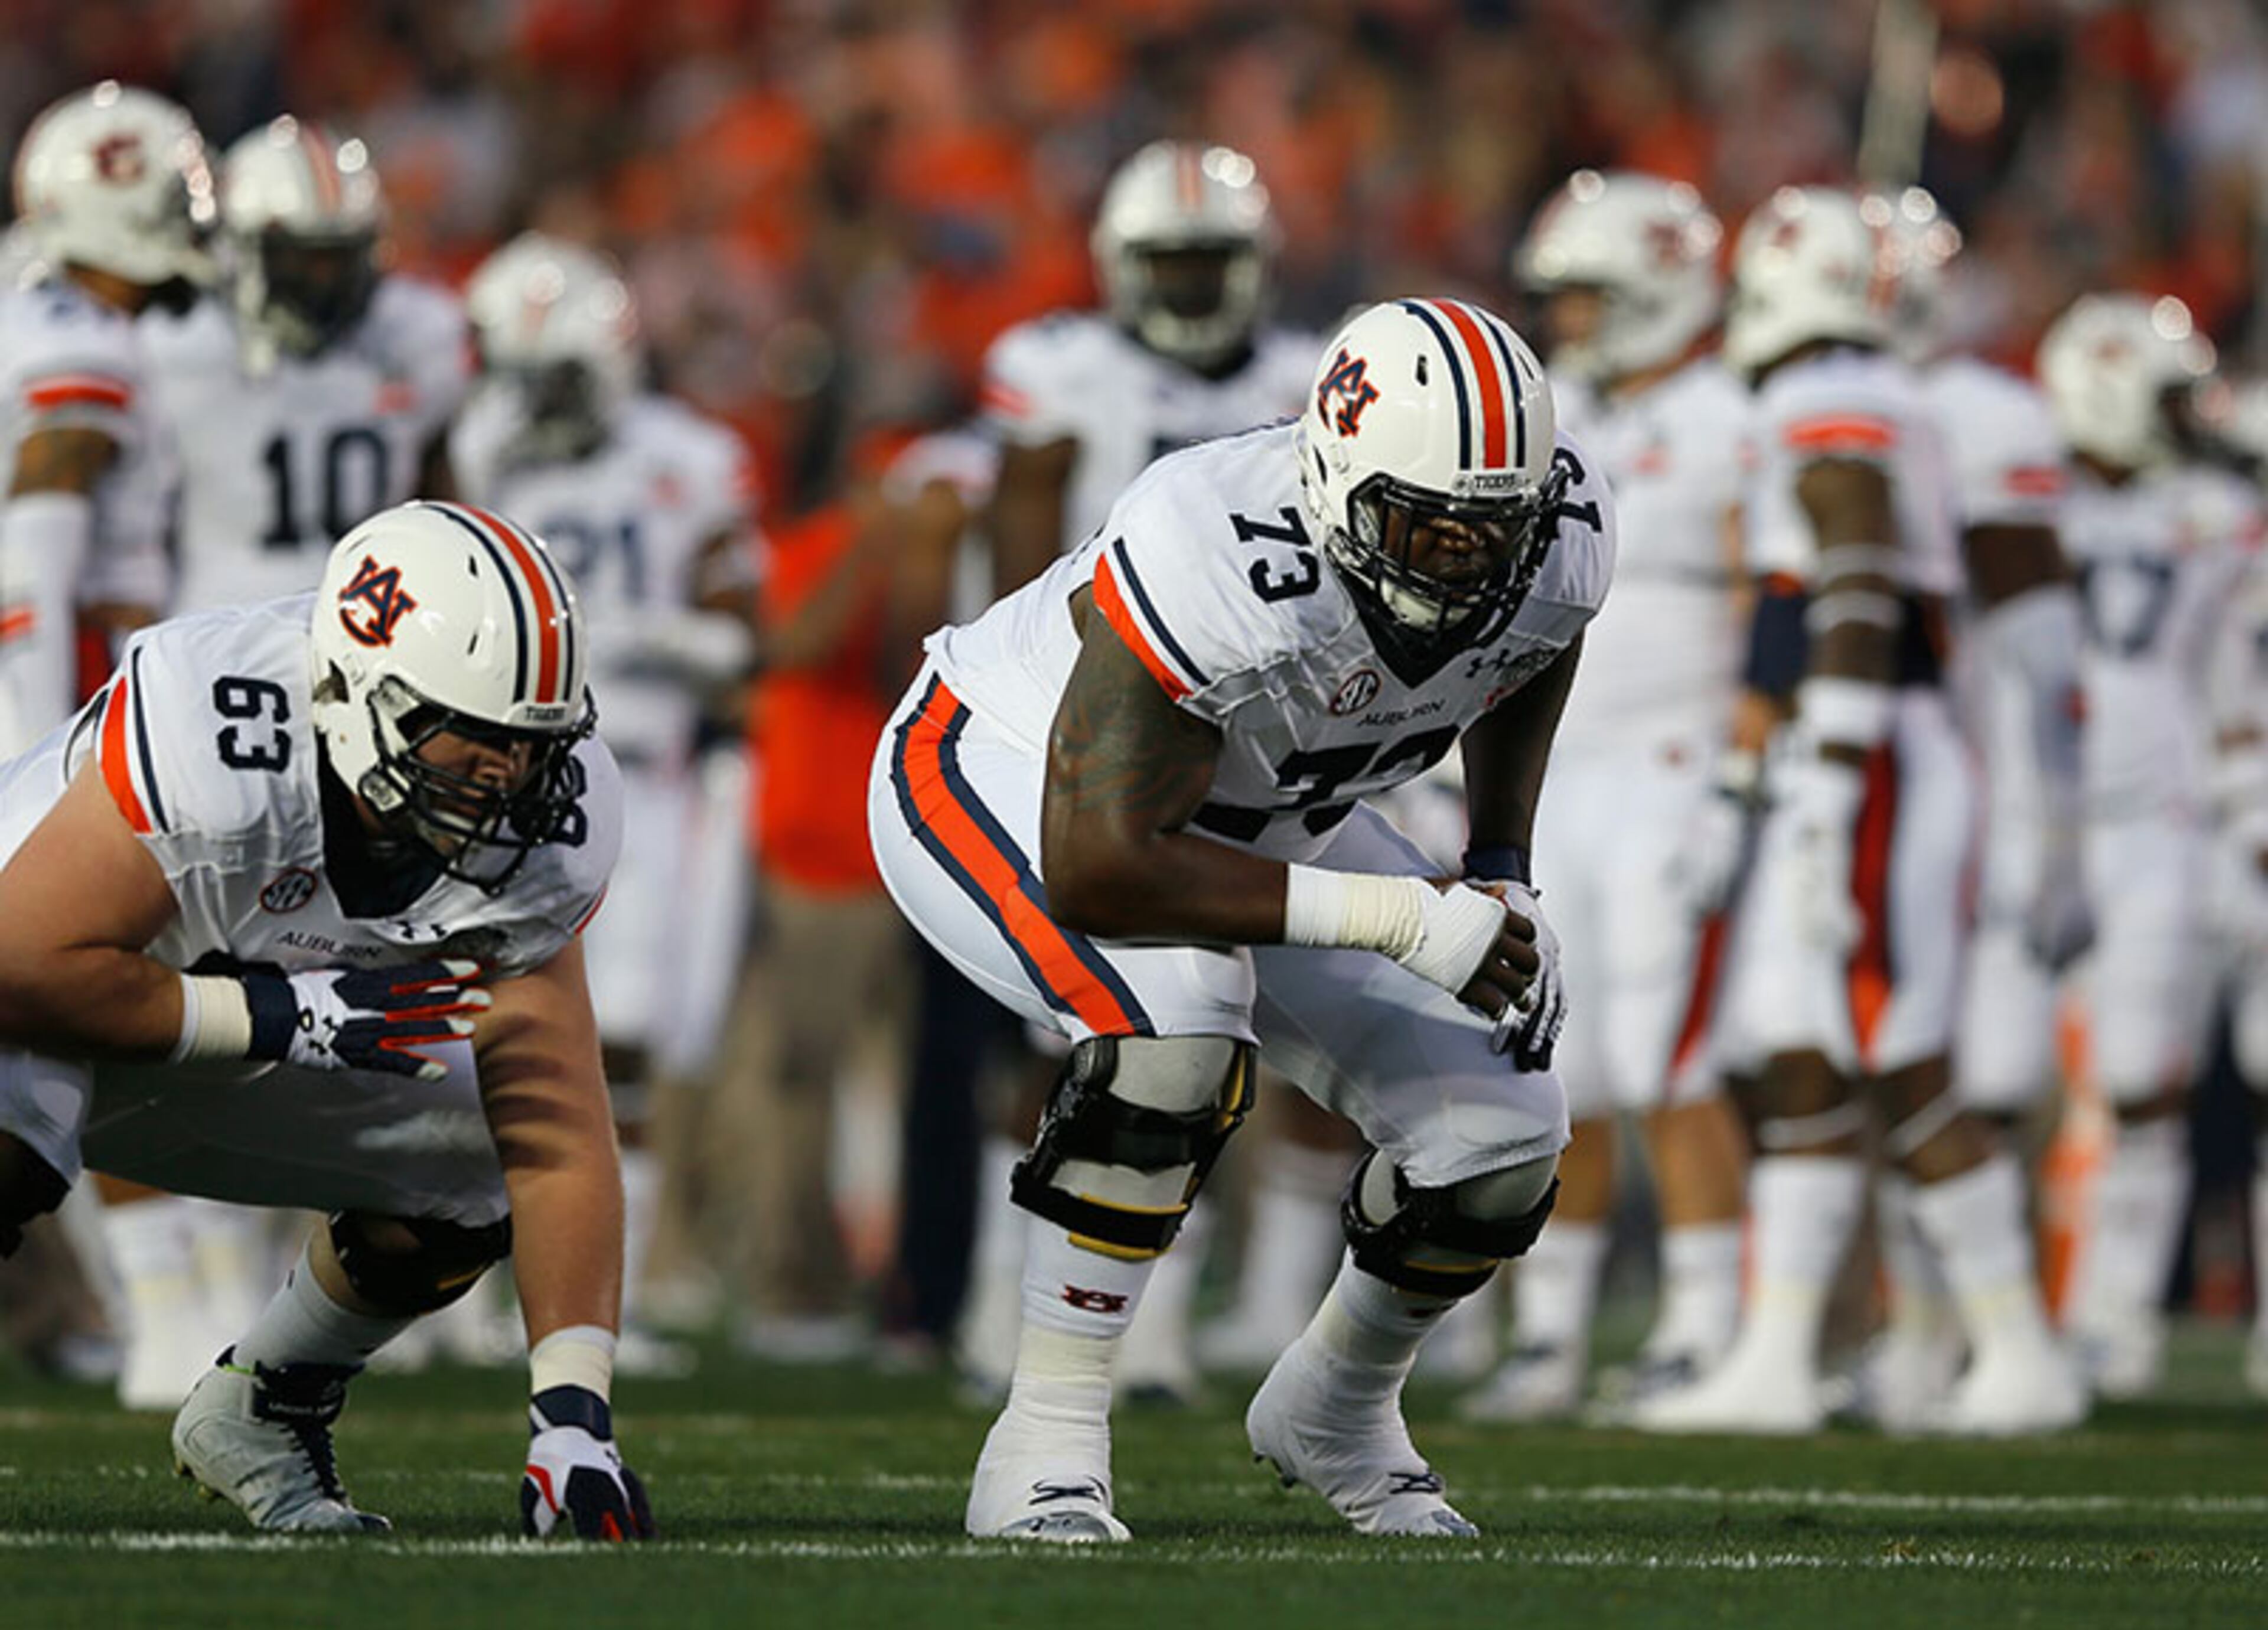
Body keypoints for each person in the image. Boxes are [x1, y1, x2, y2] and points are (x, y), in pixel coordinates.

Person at [869, 296, 1614, 1540]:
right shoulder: (1209, 532)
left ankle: (1339, 1406)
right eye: (1424, 530)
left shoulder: (1563, 529)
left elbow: (1533, 648)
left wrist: (1497, 869)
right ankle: (1046, 1430)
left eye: (1492, 534)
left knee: (1503, 1126)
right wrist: (1405, 919)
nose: (1463, 565)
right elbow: (1104, 866)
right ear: (1333, 482)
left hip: (1268, 817)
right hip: (1006, 769)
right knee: (1178, 1024)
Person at [0, 501, 651, 1541]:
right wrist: (269, 1016)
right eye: (476, 742)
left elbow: (559, 1126)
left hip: (229, 1030)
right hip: (54, 1003)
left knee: (483, 1146)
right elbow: (19, 966)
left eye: (532, 748)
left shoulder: (541, 828)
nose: (510, 780)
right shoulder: (222, 726)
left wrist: (574, 1420)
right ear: (353, 694)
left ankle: (265, 1406)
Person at [1634, 187, 2081, 1437]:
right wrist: (1749, 782)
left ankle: (2016, 1347)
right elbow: (1791, 619)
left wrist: (1829, 779)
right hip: (1852, 747)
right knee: (1797, 1037)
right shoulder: (1854, 395)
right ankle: (1778, 1354)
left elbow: (1855, 573)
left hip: (1879, 752)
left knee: (1893, 1043)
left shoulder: (1840, 395)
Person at [110, 113, 475, 1408]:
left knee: (353, 979)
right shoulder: (167, 347)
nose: (323, 279)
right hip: (214, 679)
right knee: (176, 973)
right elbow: (120, 530)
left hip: (372, 692)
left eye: (340, 252)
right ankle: (180, 1296)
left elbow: (443, 504)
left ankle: (322, 1263)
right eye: (296, 252)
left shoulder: (422, 338)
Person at [960, 138, 1319, 1403]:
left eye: (1207, 259)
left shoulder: (1307, 380)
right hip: (1092, 723)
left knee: (1214, 1027)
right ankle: (1008, 1295)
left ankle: (1182, 1306)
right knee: (1071, 1029)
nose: (1184, 283)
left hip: (1258, 743)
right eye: (1166, 259)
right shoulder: (1060, 369)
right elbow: (1015, 544)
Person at [1459, 168, 1754, 1423]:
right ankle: (1553, 1330)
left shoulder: (1737, 414)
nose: (1569, 320)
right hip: (1560, 772)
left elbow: (1770, 595)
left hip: (1679, 770)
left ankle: (1702, 1323)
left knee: (1668, 1053)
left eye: (1590, 296)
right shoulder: (1564, 412)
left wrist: (1748, 771)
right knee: (1546, 1054)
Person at [457, 232, 757, 1370]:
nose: (540, 400)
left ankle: (594, 1296)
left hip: (642, 771)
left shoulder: (690, 456)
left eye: (561, 374)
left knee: (623, 1037)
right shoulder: (475, 447)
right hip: (494, 779)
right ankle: (465, 1288)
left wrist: (639, 634)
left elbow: (744, 635)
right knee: (482, 1032)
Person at [2029, 293, 2266, 1398]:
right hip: (2033, 816)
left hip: (2162, 820)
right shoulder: (2020, 496)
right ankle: (1962, 1325)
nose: (2187, 417)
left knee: (2144, 1079)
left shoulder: (2217, 511)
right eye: (2167, 396)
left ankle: (2114, 1317)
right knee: (1984, 1076)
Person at [2, 80, 210, 758]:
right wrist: (35, 744)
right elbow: (33, 555)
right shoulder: (85, 342)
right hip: (80, 668)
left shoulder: (39, 315)